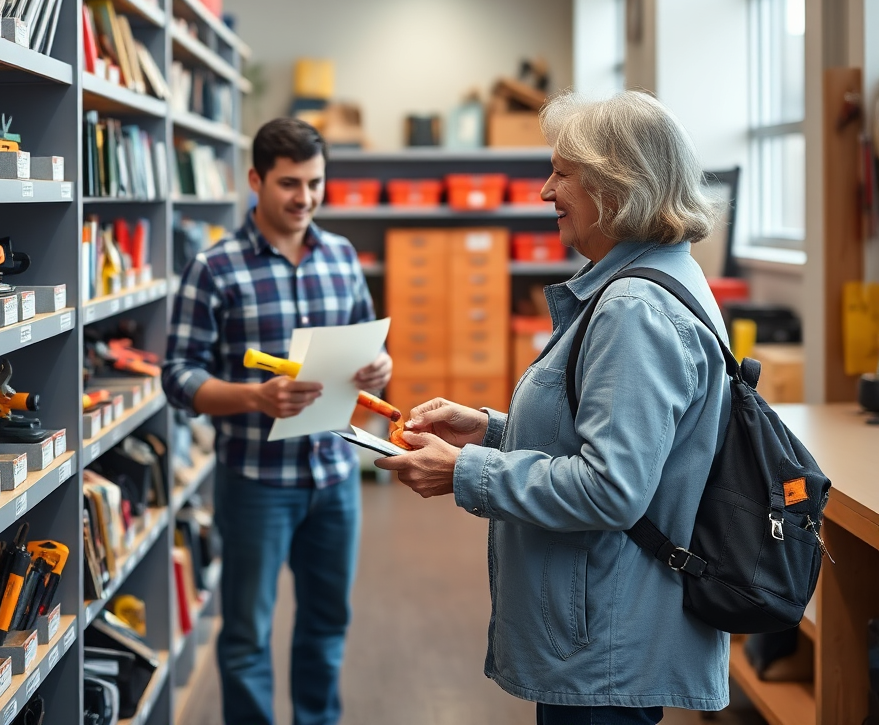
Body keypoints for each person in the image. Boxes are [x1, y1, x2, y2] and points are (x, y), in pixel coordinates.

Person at [378, 91, 731, 725]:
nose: (546, 190)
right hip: (608, 627)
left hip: (604, 644)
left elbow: (611, 488)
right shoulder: (660, 278)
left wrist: (464, 471)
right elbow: (617, 438)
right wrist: (488, 429)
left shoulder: (634, 312)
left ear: (617, 187)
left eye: (562, 173)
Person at [163, 117, 392, 725]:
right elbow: (177, 376)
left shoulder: (341, 256)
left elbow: (370, 348)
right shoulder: (214, 268)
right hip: (256, 481)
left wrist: (378, 369)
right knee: (245, 635)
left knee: (326, 626)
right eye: (290, 183)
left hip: (335, 476)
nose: (305, 198)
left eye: (315, 183)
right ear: (256, 180)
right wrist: (253, 398)